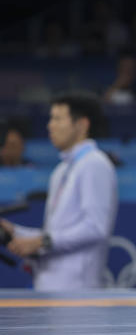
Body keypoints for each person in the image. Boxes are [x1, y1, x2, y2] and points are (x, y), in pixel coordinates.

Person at [1, 92, 117, 291]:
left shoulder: (95, 164)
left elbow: (96, 227)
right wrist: (15, 232)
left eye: (57, 119)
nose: (50, 126)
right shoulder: (61, 171)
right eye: (50, 119)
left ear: (81, 124)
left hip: (78, 293)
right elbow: (53, 235)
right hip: (48, 289)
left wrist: (43, 241)